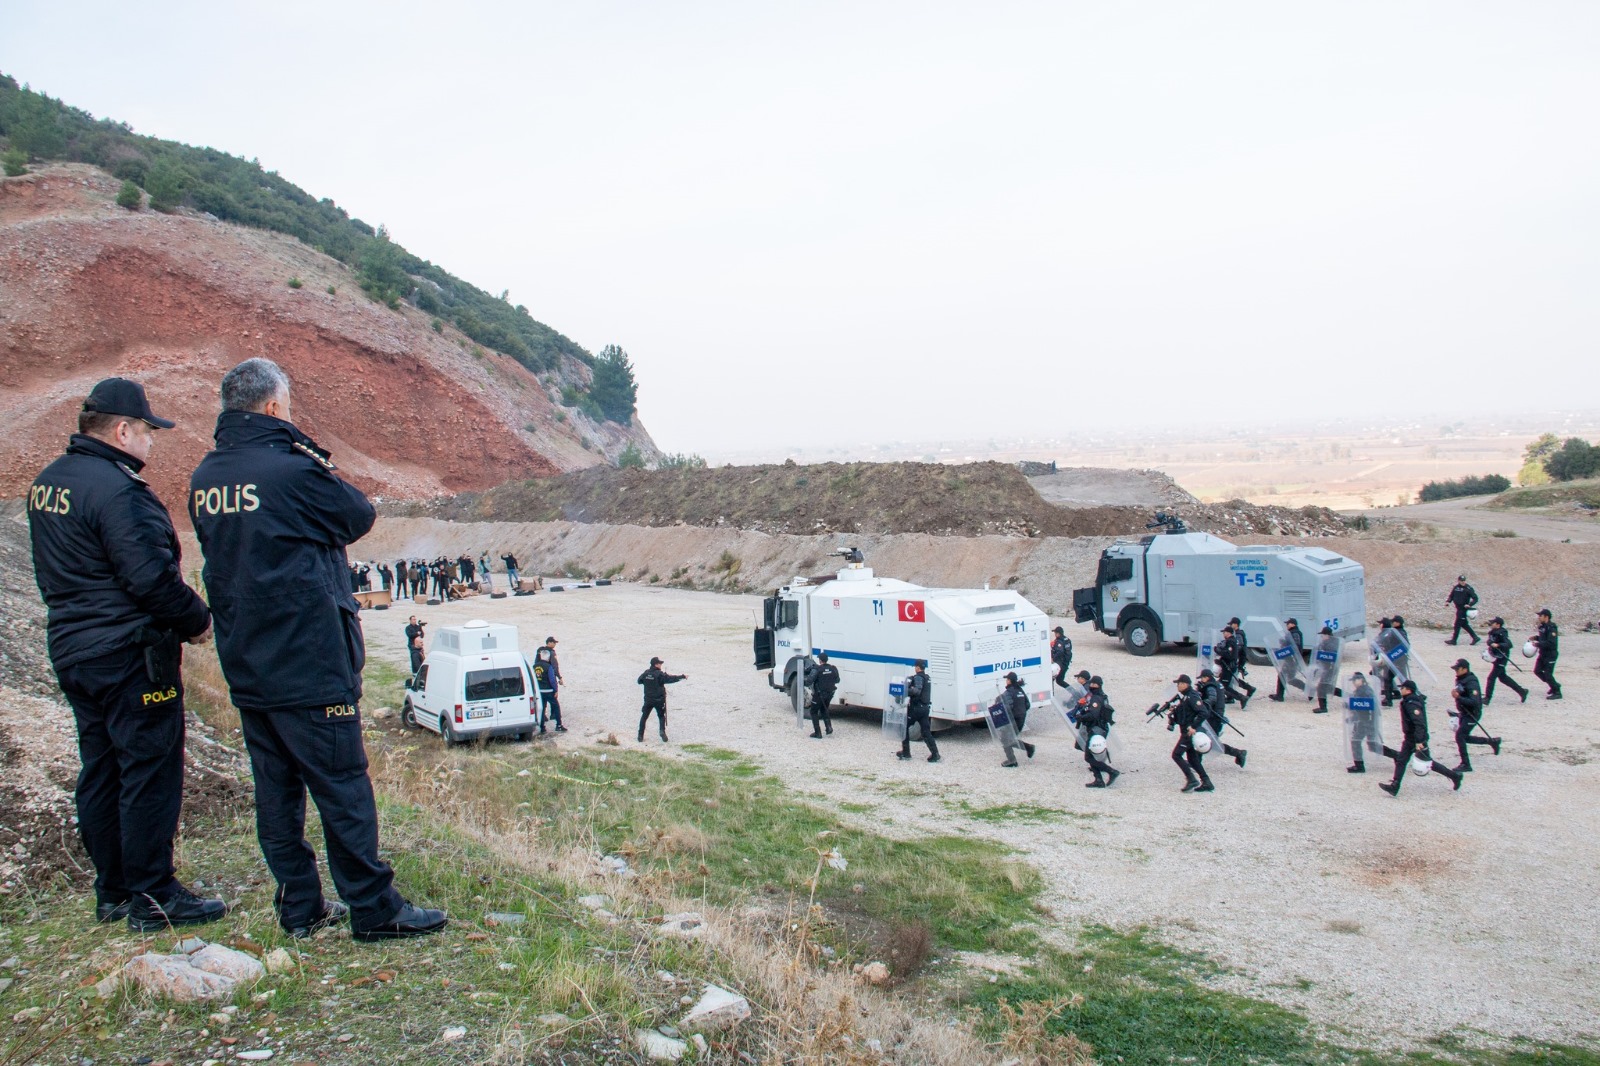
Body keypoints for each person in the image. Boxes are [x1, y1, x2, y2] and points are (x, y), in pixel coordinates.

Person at [189, 357, 445, 942]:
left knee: (276, 792)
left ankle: (299, 906)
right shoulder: (290, 471)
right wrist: (302, 451)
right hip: (307, 656)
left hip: (248, 660)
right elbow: (357, 514)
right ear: (275, 407)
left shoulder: (206, 476)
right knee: (343, 788)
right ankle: (373, 908)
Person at [28, 378, 225, 932]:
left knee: (101, 767)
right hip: (128, 652)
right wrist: (197, 620)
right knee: (148, 769)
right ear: (121, 430)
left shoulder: (50, 483)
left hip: (73, 647)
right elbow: (149, 579)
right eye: (146, 432)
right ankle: (153, 894)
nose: (150, 443)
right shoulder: (119, 492)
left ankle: (112, 890)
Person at [1380, 680, 1463, 796]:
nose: (1401, 689)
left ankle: (1455, 776)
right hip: (1411, 738)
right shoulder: (1408, 701)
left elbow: (1419, 723)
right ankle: (1395, 785)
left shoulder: (1411, 703)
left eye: (1403, 688)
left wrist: (1419, 741)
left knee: (1427, 762)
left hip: (1416, 739)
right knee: (1401, 761)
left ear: (1408, 690)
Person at [1163, 674, 1214, 793]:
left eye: (1179, 684)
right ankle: (1206, 782)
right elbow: (1184, 713)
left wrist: (1194, 726)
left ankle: (1191, 779)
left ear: (1185, 684)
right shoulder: (1185, 697)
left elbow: (1203, 713)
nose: (1177, 686)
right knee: (1192, 759)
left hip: (1189, 733)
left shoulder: (1192, 697)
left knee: (1176, 755)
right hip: (1185, 731)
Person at [1449, 658, 1500, 773]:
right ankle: (1492, 742)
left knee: (1460, 736)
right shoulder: (1461, 679)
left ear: (1465, 669)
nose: (1456, 671)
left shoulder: (1471, 682)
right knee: (1464, 737)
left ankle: (1466, 764)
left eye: (1458, 669)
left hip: (1472, 714)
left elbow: (1475, 701)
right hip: (1465, 713)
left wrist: (1459, 697)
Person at [1196, 668, 1247, 767]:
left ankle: (1196, 762)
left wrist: (1202, 704)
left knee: (1205, 740)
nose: (1201, 680)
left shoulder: (1210, 686)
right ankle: (1238, 753)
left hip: (1213, 718)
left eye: (1202, 678)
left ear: (1206, 678)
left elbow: (1212, 699)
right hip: (1217, 716)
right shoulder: (1217, 684)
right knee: (1211, 742)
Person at [1077, 675, 1119, 788]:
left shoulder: (1096, 698)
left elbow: (1093, 715)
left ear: (1097, 685)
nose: (1090, 686)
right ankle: (1098, 779)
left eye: (1092, 684)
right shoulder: (1103, 696)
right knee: (1091, 756)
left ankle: (1111, 772)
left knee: (1088, 757)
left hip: (1096, 729)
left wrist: (1081, 717)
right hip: (1100, 729)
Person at [895, 660, 940, 763]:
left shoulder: (918, 677)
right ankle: (935, 753)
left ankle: (906, 753)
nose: (915, 668)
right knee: (926, 732)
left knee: (903, 726)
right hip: (925, 709)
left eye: (915, 666)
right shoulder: (927, 677)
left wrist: (905, 690)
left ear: (918, 667)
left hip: (916, 709)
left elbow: (917, 691)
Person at [636, 656, 685, 741]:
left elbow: (639, 681)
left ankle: (640, 736)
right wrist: (682, 676)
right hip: (659, 699)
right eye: (660, 663)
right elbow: (670, 679)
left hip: (648, 699)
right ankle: (662, 731)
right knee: (661, 716)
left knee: (644, 717)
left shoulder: (646, 673)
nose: (661, 665)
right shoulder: (659, 674)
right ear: (656, 664)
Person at [1343, 671, 1383, 774]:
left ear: (1362, 680)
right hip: (1364, 721)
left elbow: (1369, 707)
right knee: (1372, 745)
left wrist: (1350, 706)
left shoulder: (1366, 691)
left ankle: (1359, 766)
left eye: (1356, 680)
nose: (1354, 682)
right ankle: (1397, 755)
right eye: (1353, 681)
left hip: (1366, 722)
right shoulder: (1361, 690)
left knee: (1356, 741)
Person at [1482, 617, 1527, 705]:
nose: (1491, 624)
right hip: (1496, 658)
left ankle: (1487, 698)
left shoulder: (1502, 633)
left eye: (1493, 623)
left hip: (1502, 658)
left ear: (1498, 625)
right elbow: (1489, 641)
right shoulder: (1492, 632)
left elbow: (1509, 644)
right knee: (1503, 678)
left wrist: (1498, 645)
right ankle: (1522, 691)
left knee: (1491, 678)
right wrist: (1490, 643)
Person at [996, 671, 1035, 767]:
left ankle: (1012, 760)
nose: (1006, 681)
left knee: (1005, 739)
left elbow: (1007, 706)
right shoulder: (1020, 690)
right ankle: (1028, 748)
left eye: (1007, 679)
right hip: (1021, 719)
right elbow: (1027, 705)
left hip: (1013, 720)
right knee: (1009, 739)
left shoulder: (1008, 692)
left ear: (1009, 681)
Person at [1216, 623, 1255, 708]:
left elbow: (1229, 655)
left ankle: (1241, 697)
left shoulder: (1231, 641)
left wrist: (1218, 651)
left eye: (1224, 632)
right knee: (1224, 684)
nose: (1223, 634)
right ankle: (1242, 695)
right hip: (1228, 666)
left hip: (1229, 666)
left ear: (1228, 633)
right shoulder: (1232, 640)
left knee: (1223, 686)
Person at [1267, 618, 1303, 702]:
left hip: (1291, 659)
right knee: (1289, 678)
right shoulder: (1293, 633)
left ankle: (1279, 696)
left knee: (1284, 677)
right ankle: (1308, 691)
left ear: (1293, 624)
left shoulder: (1294, 633)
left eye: (1288, 624)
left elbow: (1295, 646)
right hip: (1291, 659)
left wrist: (1284, 643)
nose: (1286, 625)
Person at [534, 636, 565, 732]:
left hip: (540, 689)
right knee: (555, 705)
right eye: (554, 643)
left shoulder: (535, 664)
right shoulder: (550, 660)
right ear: (550, 642)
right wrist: (558, 682)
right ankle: (558, 724)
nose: (555, 645)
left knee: (542, 707)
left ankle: (542, 727)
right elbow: (553, 674)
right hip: (549, 689)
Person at [805, 653, 839, 738]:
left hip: (819, 694)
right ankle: (828, 727)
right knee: (824, 709)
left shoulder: (817, 669)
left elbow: (809, 681)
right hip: (830, 694)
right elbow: (837, 680)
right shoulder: (833, 668)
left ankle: (817, 733)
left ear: (820, 660)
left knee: (813, 711)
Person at [1533, 609, 1561, 700]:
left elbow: (1551, 642)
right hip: (1543, 653)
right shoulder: (1542, 627)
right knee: (1537, 671)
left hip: (1550, 654)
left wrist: (1538, 644)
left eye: (1540, 616)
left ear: (1546, 617)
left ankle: (1557, 692)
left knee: (1548, 674)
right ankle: (1554, 684)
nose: (1539, 617)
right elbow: (1543, 638)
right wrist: (1536, 638)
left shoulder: (1552, 627)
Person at [1445, 576, 1480, 645]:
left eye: (1464, 580)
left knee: (1457, 625)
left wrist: (1470, 604)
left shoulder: (1468, 588)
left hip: (1463, 609)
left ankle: (1454, 640)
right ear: (1458, 581)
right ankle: (1475, 637)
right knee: (1464, 624)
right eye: (1461, 580)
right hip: (1458, 608)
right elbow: (1451, 596)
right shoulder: (1456, 587)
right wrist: (1448, 602)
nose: (1463, 582)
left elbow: (1475, 598)